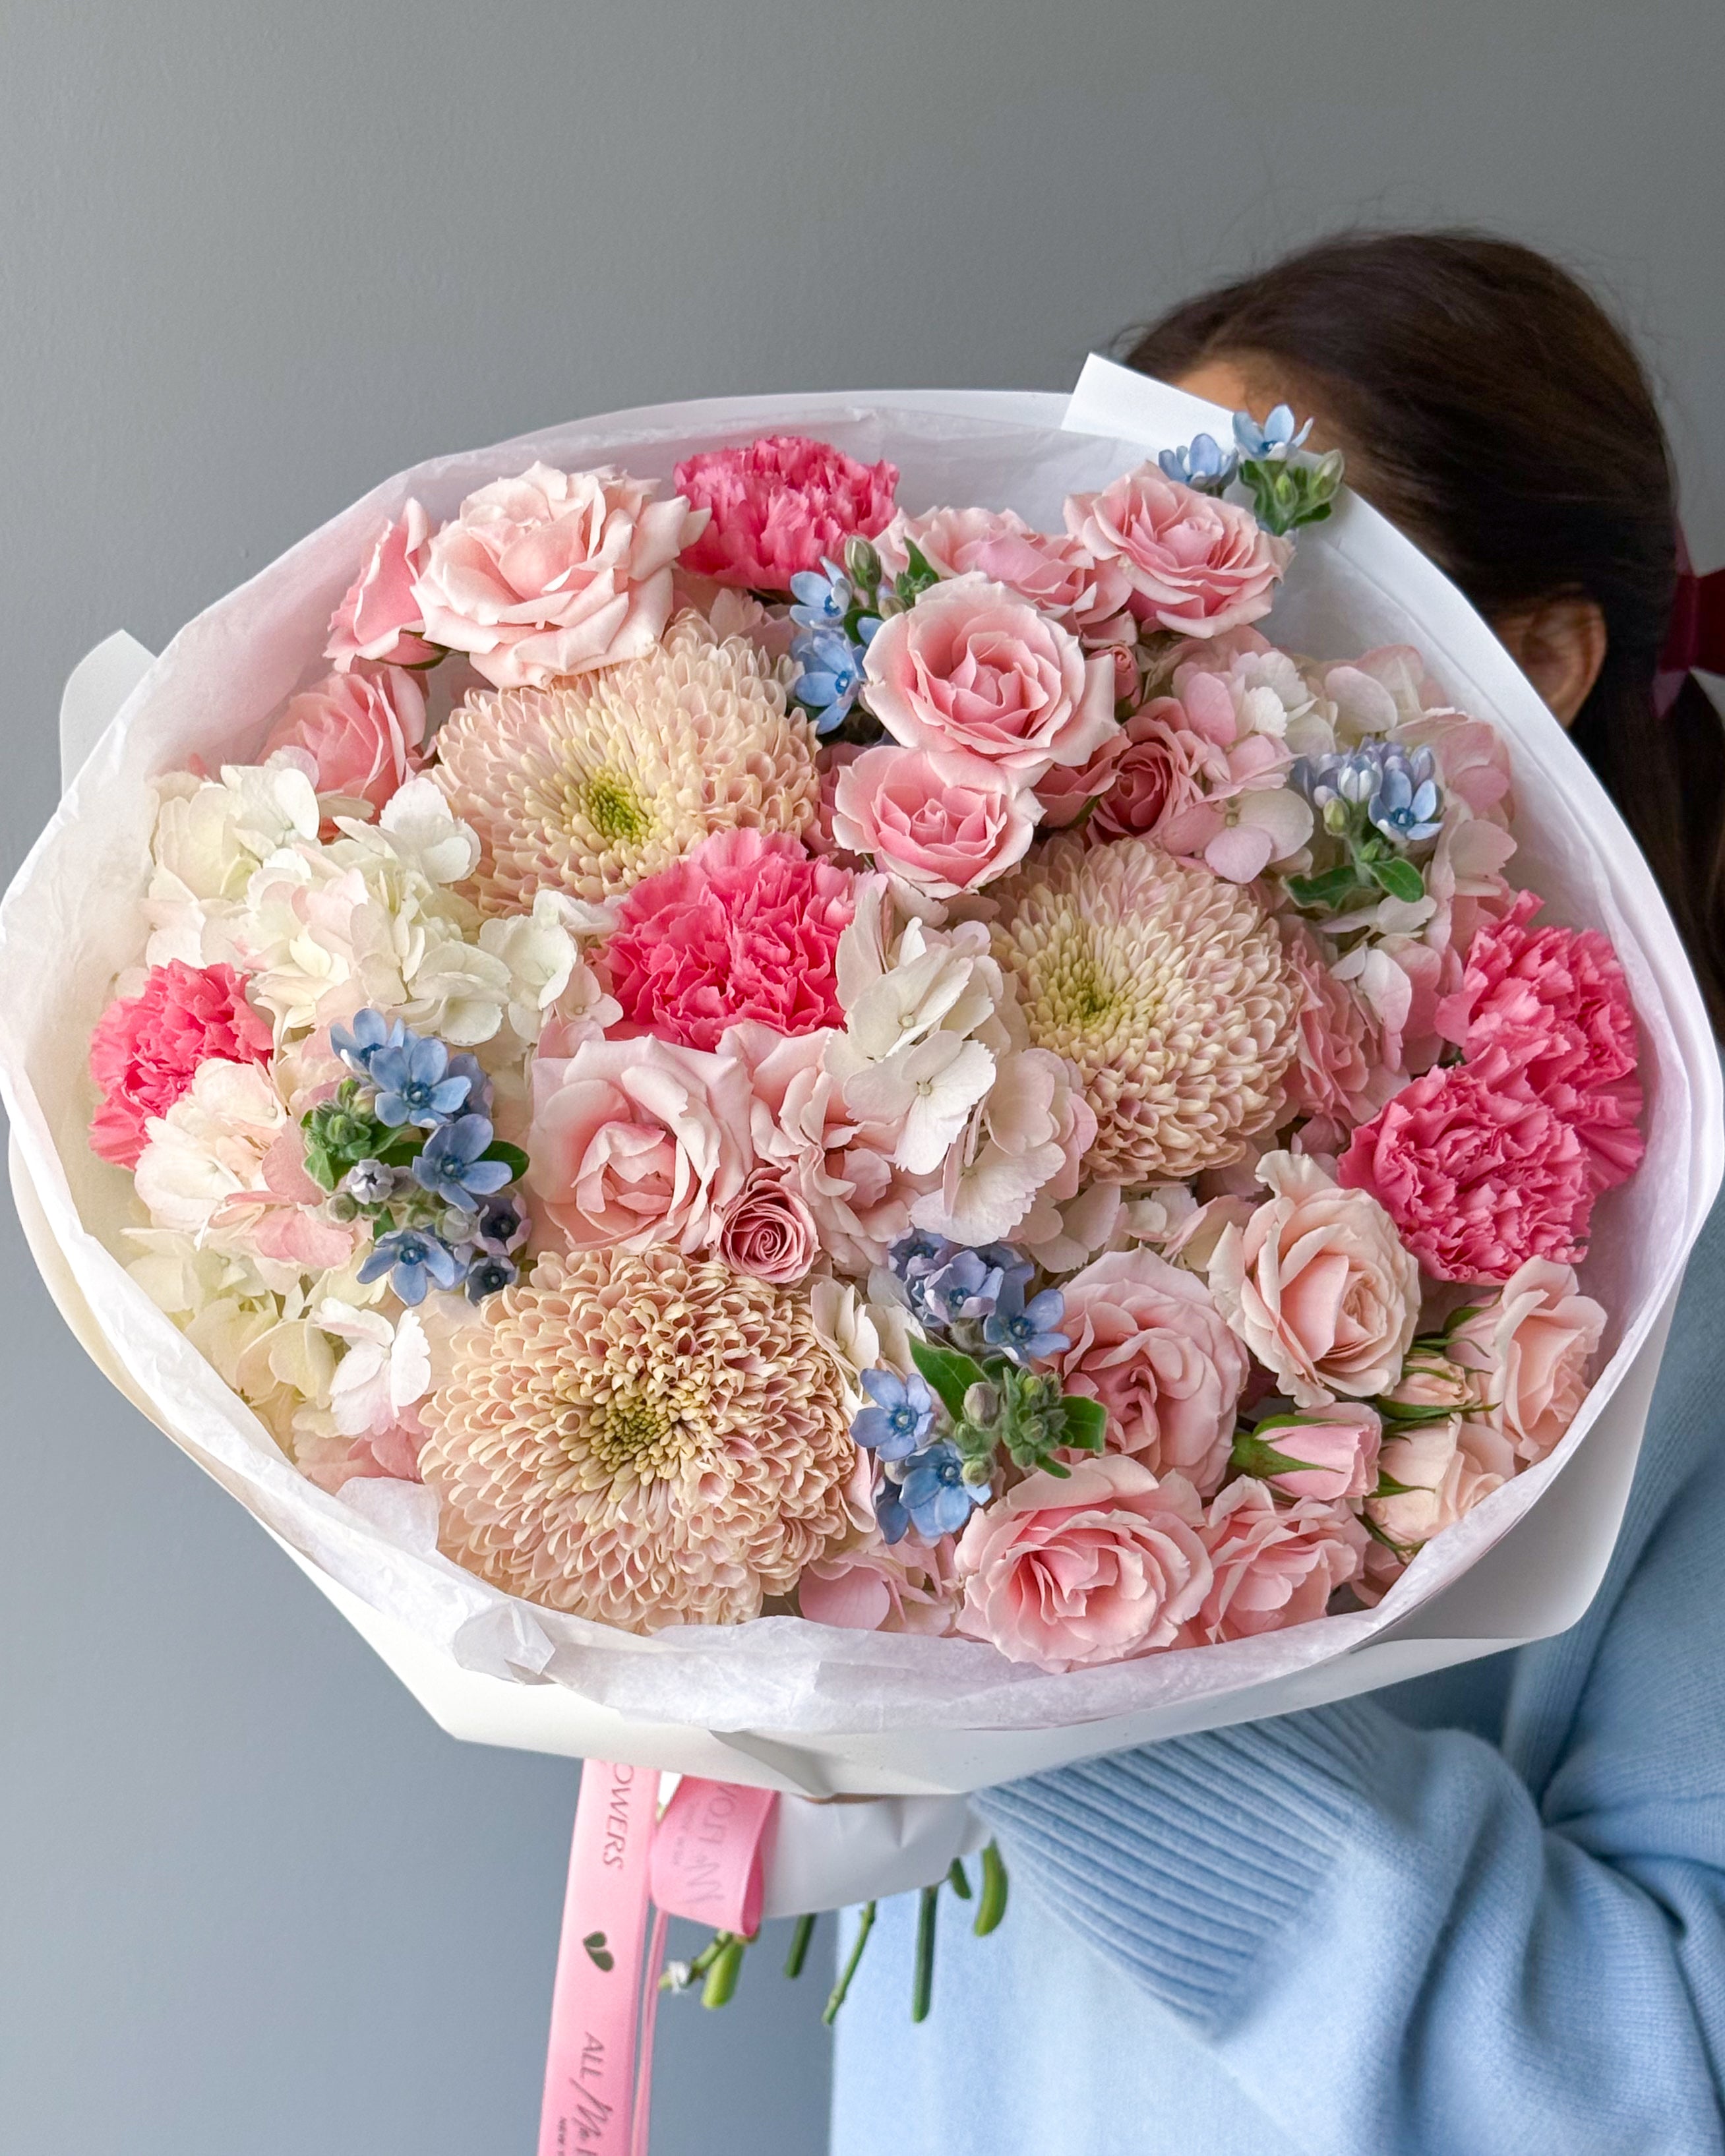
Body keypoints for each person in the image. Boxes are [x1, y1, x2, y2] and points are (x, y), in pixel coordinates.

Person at [831, 230, 1725, 2156]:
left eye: (1268, 575)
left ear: (1538, 659)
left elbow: (1667, 2070)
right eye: (1128, 570)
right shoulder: (993, 1172)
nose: (1165, 669)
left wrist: (1039, 1669)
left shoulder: (1701, 1295)